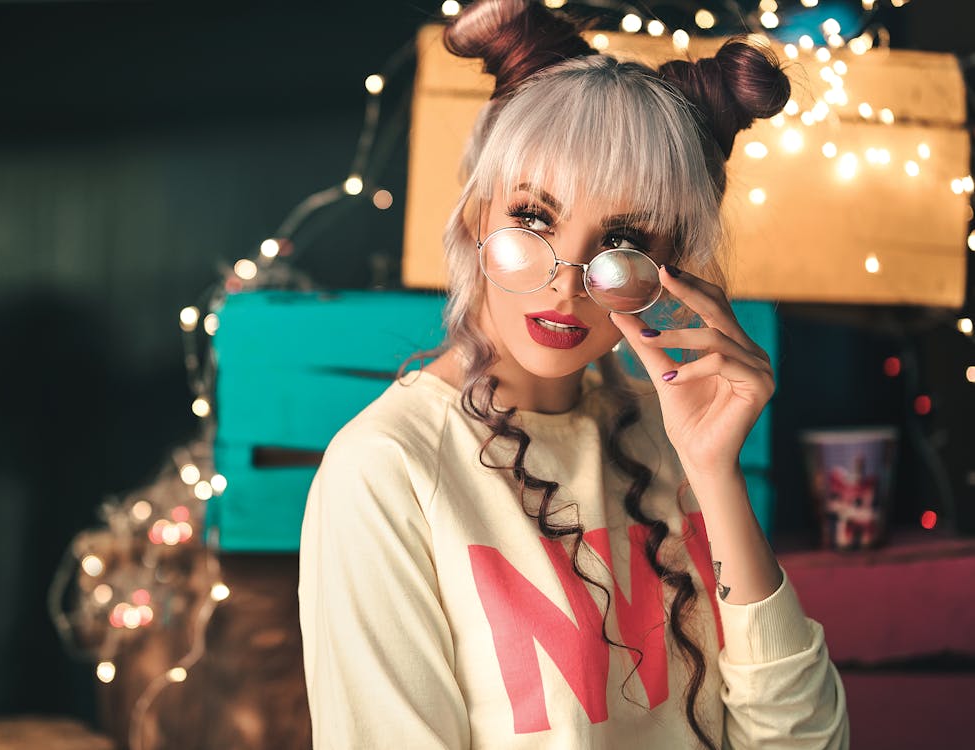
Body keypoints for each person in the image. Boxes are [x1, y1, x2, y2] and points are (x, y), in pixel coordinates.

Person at [298, 1, 849, 747]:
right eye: (532, 218)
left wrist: (713, 474)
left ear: (667, 267)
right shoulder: (385, 469)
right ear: (474, 219)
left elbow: (805, 743)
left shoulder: (672, 430)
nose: (565, 282)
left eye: (620, 239)